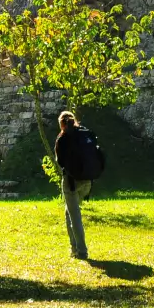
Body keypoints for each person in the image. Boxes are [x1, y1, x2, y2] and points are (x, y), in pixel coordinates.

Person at [54, 111, 90, 260]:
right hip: (87, 180)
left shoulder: (62, 138)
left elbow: (59, 161)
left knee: (75, 216)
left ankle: (81, 251)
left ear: (62, 124)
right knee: (69, 213)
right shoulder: (83, 134)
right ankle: (74, 248)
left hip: (71, 182)